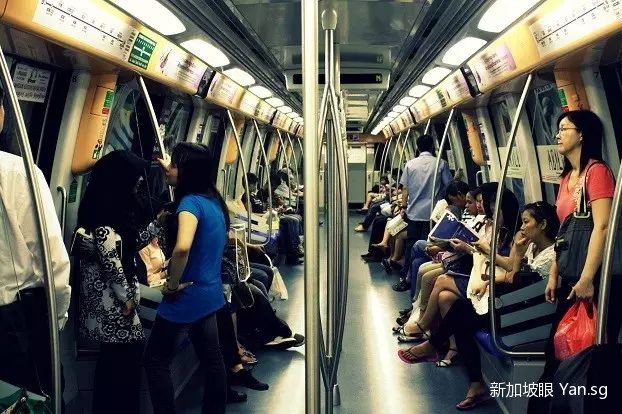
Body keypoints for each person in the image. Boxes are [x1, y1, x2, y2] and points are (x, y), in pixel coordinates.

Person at [529, 110, 619, 413]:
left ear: (582, 134)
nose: (557, 134)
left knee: (589, 358)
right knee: (558, 352)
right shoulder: (567, 178)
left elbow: (602, 227)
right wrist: (555, 273)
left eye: (564, 128)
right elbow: (565, 234)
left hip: (596, 281)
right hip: (571, 278)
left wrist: (588, 278)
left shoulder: (597, 173)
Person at [144, 143, 228, 414]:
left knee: (155, 360)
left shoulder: (189, 204)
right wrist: (168, 166)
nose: (169, 169)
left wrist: (171, 284)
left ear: (187, 171)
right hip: (209, 292)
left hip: (186, 295)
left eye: (175, 166)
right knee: (213, 359)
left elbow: (182, 248)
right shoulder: (213, 200)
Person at [0, 88, 71, 400]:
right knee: (23, 398)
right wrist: (56, 318)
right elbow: (52, 260)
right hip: (12, 321)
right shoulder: (18, 172)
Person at [75, 150, 150, 414]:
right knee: (124, 362)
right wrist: (127, 299)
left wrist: (157, 226)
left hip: (113, 304)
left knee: (114, 361)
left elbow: (129, 245)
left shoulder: (109, 211)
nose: (139, 181)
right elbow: (111, 263)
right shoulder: (105, 222)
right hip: (114, 306)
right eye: (135, 176)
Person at [399, 134, 452, 283]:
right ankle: (420, 277)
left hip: (414, 212)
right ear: (432, 146)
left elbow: (405, 189)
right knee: (429, 245)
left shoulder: (410, 164)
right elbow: (449, 186)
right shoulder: (441, 163)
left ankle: (406, 275)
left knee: (411, 245)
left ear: (417, 147)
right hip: (433, 214)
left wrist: (403, 206)